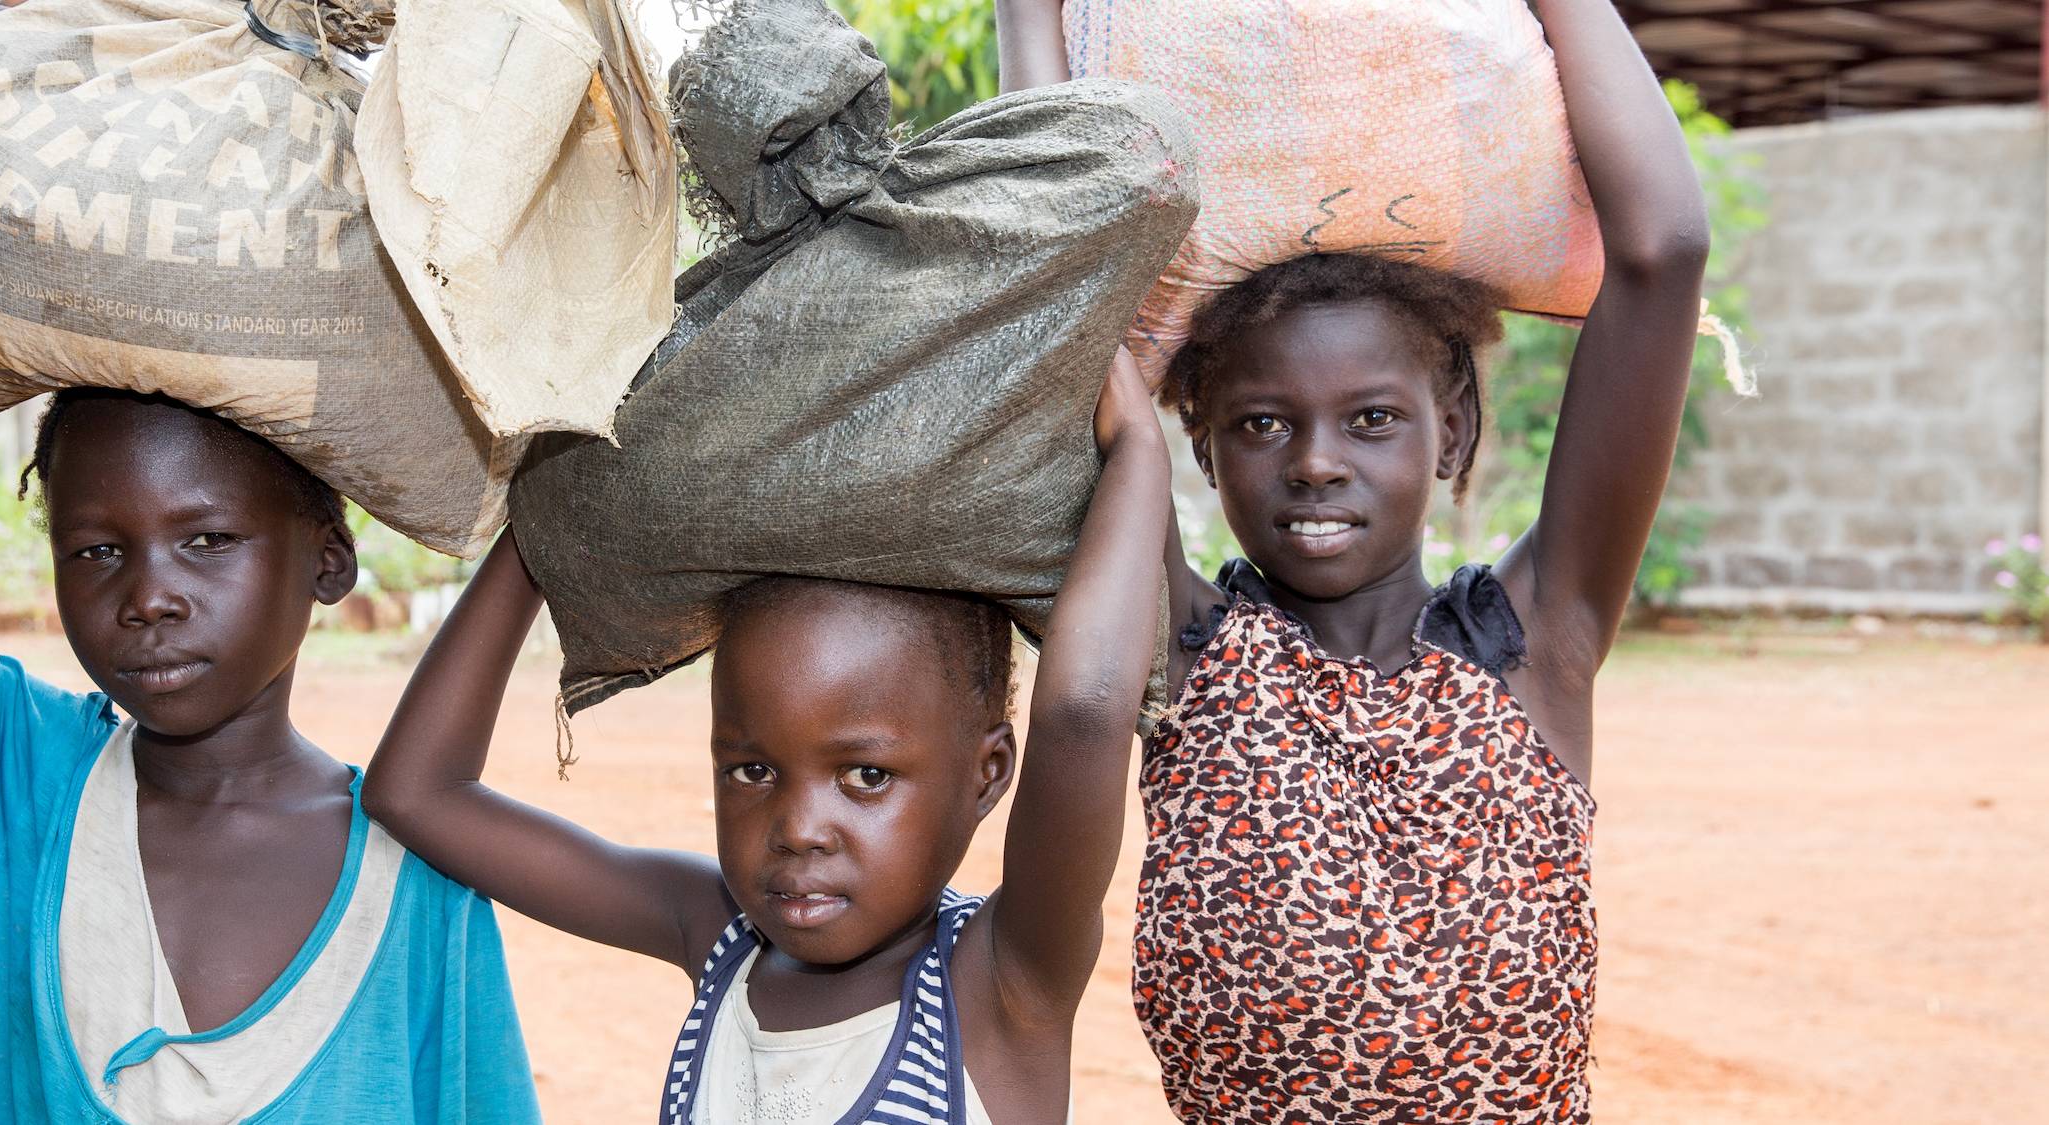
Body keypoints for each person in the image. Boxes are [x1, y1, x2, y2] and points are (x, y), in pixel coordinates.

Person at [0, 4, 538, 1120]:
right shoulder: (15, 776)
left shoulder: (422, 878)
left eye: (208, 540)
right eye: (94, 551)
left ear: (328, 561)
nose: (149, 597)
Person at [1002, 0, 1709, 1120]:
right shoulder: (1184, 658)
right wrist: (1024, 14)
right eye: (1262, 425)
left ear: (1455, 434)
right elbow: (1052, 310)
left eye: (1372, 420)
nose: (1316, 464)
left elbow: (1663, 253)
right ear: (1198, 441)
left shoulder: (1536, 644)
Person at [365, 353, 1172, 1123]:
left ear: (989, 772)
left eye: (864, 774)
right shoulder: (721, 939)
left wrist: (1139, 453)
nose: (797, 828)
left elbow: (1085, 714)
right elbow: (417, 792)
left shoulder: (999, 983)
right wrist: (548, 512)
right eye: (752, 768)